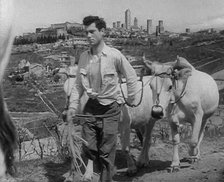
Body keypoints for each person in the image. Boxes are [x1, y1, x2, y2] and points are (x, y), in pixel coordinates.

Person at [67, 15, 138, 182]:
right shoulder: (84, 57)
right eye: (86, 33)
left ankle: (105, 179)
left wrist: (131, 99)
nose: (88, 36)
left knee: (106, 152)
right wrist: (72, 107)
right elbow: (78, 85)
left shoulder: (114, 55)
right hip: (90, 108)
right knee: (89, 146)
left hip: (110, 108)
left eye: (92, 32)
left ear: (102, 32)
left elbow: (132, 76)